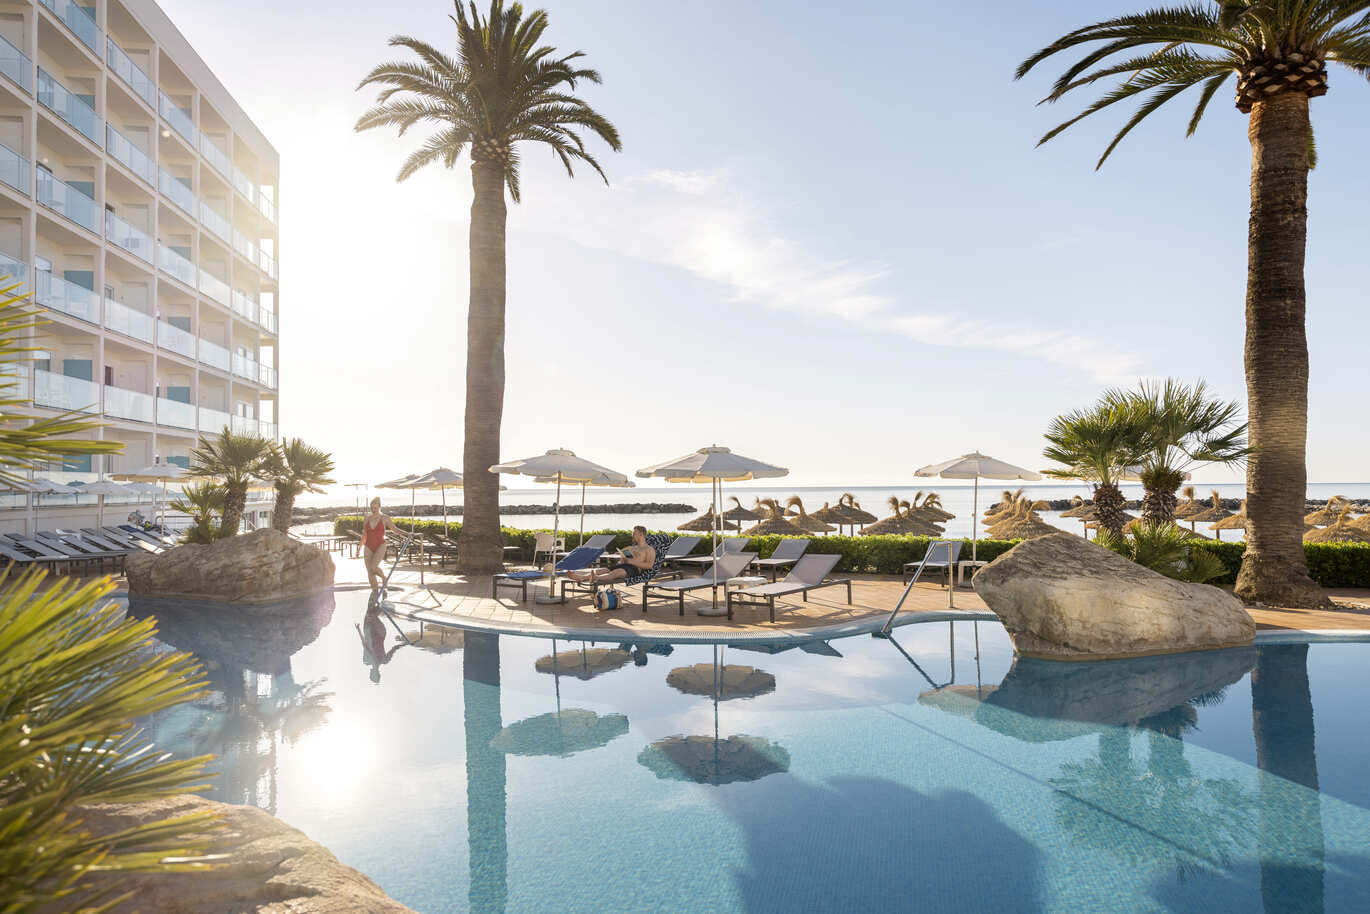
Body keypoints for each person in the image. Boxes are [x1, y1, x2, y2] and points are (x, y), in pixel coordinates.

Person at [565, 525, 654, 585]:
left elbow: (649, 565)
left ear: (641, 534)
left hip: (634, 570)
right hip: (624, 565)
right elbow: (623, 560)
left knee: (616, 572)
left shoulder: (649, 549)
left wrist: (631, 561)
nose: (633, 535)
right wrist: (622, 558)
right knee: (603, 569)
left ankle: (596, 578)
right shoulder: (631, 547)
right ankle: (581, 577)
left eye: (634, 533)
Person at [361, 497, 406, 591]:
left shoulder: (385, 518)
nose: (373, 510)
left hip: (380, 545)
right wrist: (359, 548)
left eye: (375, 508)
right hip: (368, 545)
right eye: (372, 508)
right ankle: (375, 592)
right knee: (369, 571)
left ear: (379, 507)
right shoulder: (367, 518)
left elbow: (395, 529)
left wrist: (406, 534)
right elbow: (364, 534)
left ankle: (384, 578)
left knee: (373, 567)